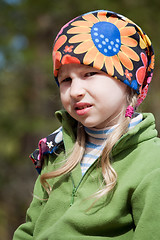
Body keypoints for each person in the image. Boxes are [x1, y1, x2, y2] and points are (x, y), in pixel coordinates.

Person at [13, 10, 160, 240]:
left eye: (90, 73)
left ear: (127, 81)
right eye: (65, 80)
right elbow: (30, 229)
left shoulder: (150, 161)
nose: (75, 91)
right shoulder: (55, 151)